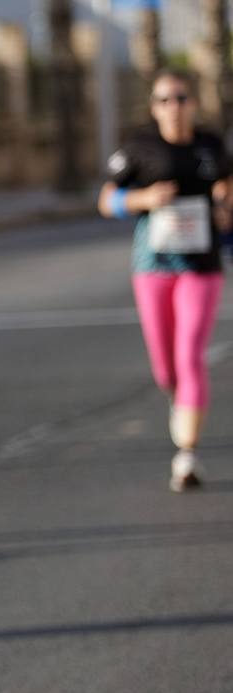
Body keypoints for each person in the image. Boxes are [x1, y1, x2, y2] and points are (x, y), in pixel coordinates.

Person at [98, 68, 233, 491]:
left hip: (201, 263)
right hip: (153, 264)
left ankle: (186, 453)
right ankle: (178, 399)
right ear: (154, 107)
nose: (173, 107)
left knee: (190, 354)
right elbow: (106, 200)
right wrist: (143, 197)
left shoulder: (210, 144)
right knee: (165, 367)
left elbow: (226, 183)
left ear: (193, 102)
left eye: (180, 98)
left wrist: (223, 205)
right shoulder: (139, 147)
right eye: (164, 100)